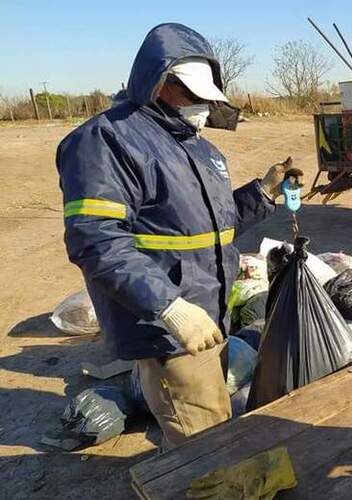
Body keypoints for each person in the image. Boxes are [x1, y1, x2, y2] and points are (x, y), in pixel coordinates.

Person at [56, 23, 300, 449]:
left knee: (215, 427)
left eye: (206, 95)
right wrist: (170, 307)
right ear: (159, 83)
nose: (202, 105)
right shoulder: (107, 142)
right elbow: (96, 240)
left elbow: (206, 230)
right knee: (205, 450)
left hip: (210, 317)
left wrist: (262, 193)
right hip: (170, 331)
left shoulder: (196, 145)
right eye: (191, 93)